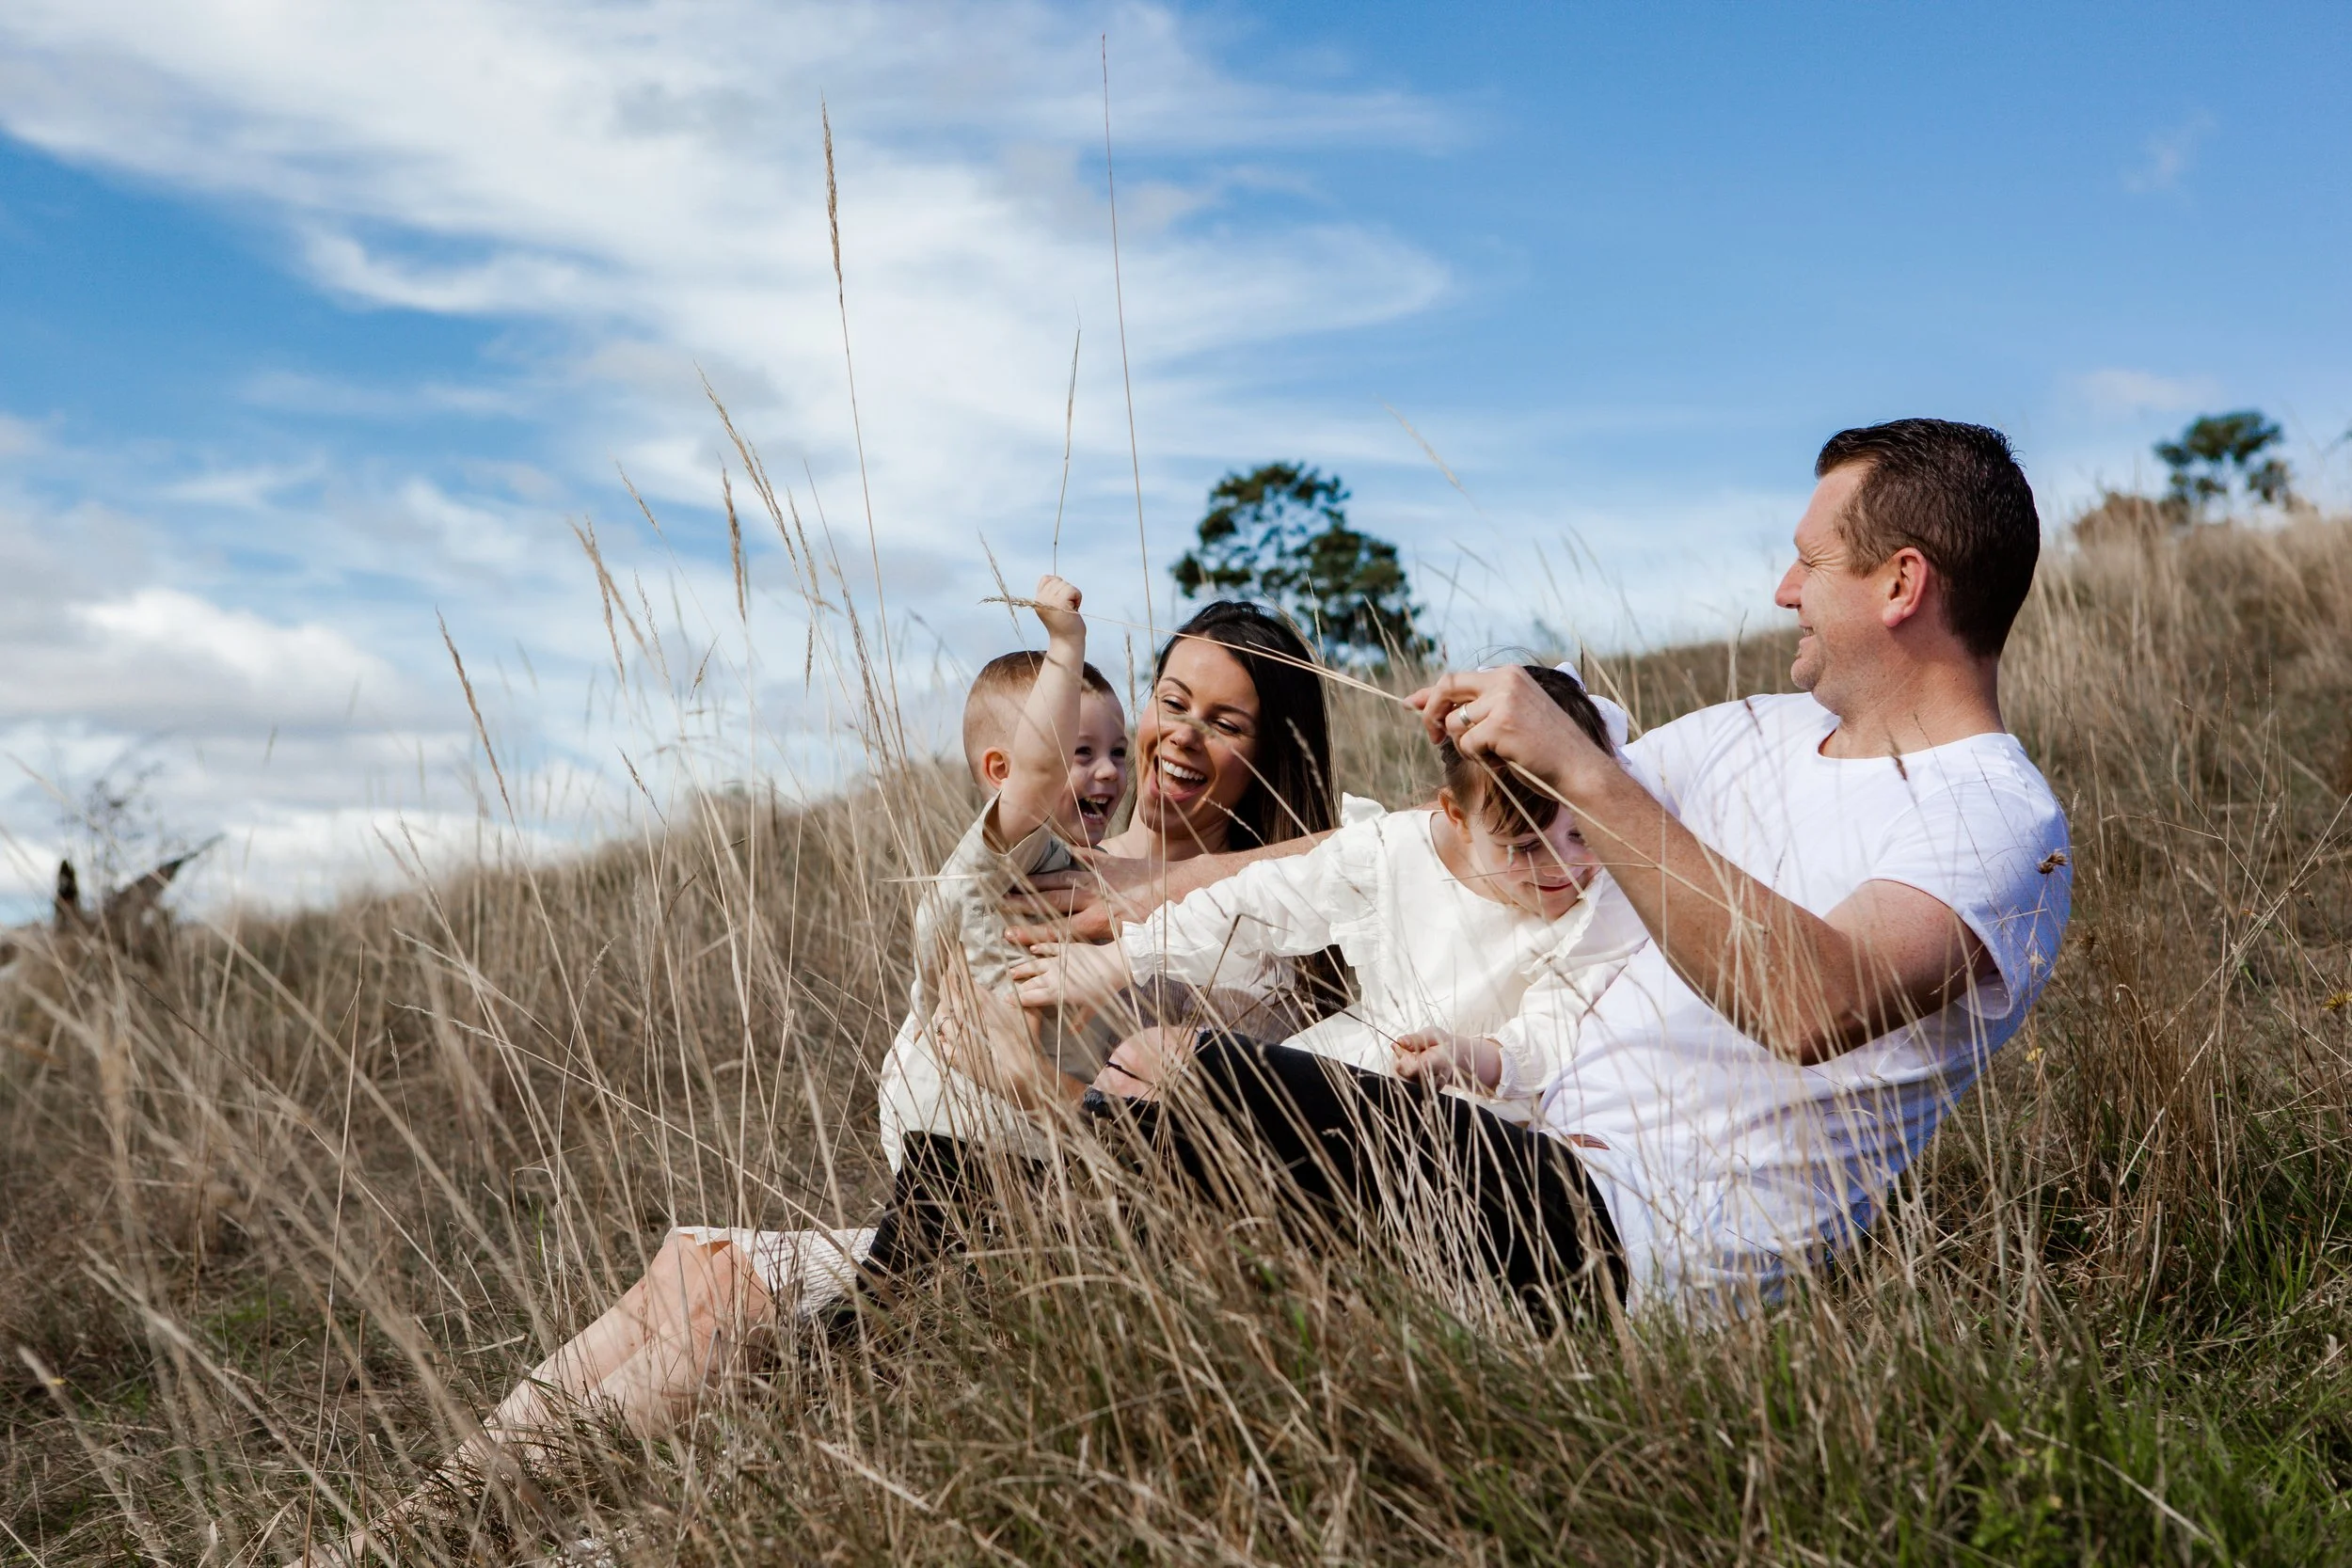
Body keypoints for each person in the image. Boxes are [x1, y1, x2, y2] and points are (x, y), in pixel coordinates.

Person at [1078, 419, 2073, 1314]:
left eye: (1809, 561)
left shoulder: (1993, 819)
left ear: (1900, 584)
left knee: (1173, 1074)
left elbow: (1804, 1003)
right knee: (1087, 1121)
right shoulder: (1757, 731)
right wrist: (1150, 889)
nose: (1783, 590)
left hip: (1638, 1229)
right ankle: (968, 1244)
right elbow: (1470, 831)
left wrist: (1581, 765)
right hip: (1505, 1122)